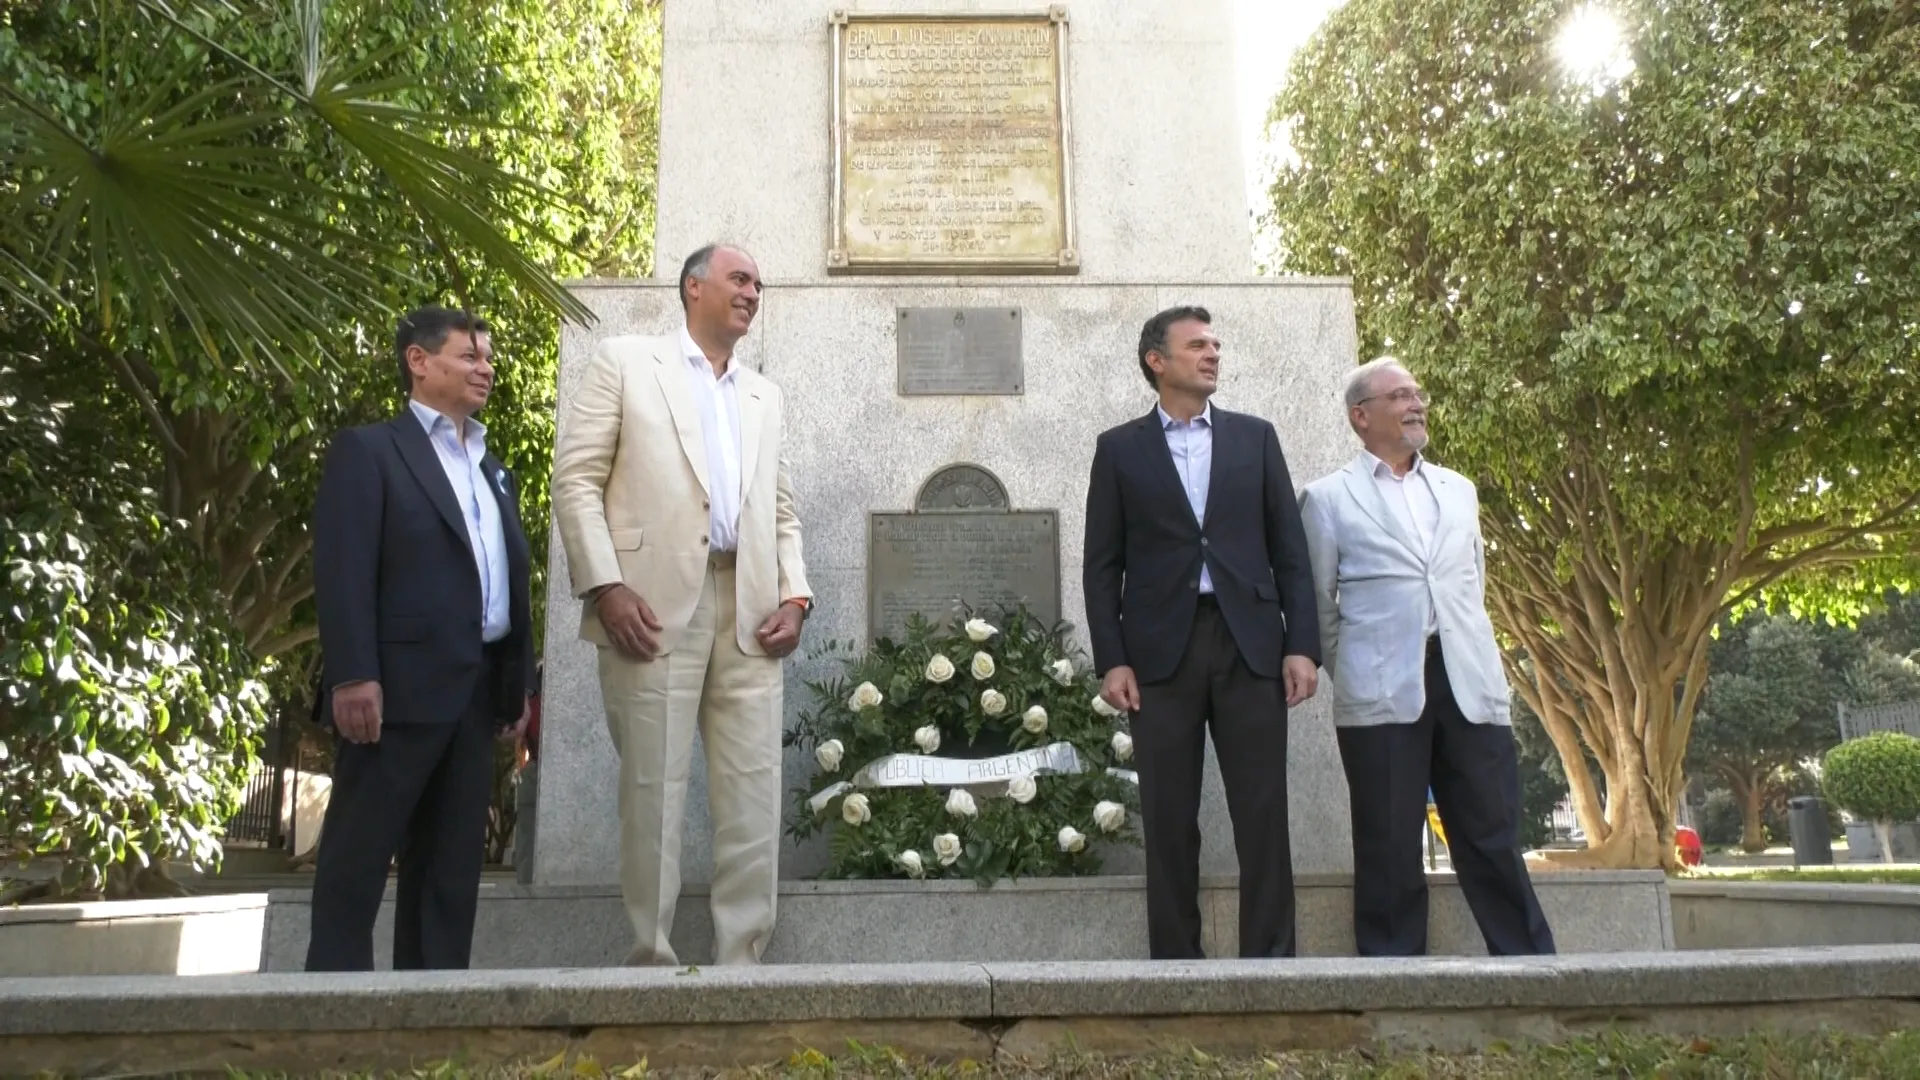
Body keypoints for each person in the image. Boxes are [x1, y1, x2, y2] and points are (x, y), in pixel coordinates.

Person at [551, 242, 812, 967]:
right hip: (649, 609)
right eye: (739, 278)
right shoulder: (628, 363)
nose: (753, 292)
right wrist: (606, 588)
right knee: (653, 789)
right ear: (693, 287)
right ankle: (651, 960)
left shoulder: (764, 395)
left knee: (754, 798)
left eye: (759, 283)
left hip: (753, 611)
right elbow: (576, 482)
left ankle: (741, 962)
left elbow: (781, 509)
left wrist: (797, 597)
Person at [1082, 305, 1321, 960]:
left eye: (1216, 343)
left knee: (1263, 813)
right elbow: (1102, 567)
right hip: (1160, 655)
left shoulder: (1256, 438)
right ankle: (1176, 970)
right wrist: (1113, 659)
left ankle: (1271, 966)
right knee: (1167, 819)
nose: (1212, 353)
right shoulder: (1119, 449)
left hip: (1251, 648)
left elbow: (1290, 552)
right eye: (1196, 345)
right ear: (1157, 362)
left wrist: (1301, 645)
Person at [1299, 357, 1555, 957]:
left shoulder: (1458, 490)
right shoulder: (1327, 499)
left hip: (1465, 678)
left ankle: (1531, 965)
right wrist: (1358, 669)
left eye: (1418, 393)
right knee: (1388, 841)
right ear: (1361, 417)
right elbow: (1317, 605)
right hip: (1381, 689)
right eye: (1400, 395)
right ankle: (1393, 975)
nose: (1417, 404)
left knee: (1491, 831)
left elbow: (1472, 586)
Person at [306, 305, 535, 971]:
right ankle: (333, 1010)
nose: (484, 368)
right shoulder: (371, 451)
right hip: (391, 695)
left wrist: (515, 685)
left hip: (473, 695)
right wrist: (352, 673)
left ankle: (431, 1012)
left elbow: (507, 580)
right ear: (418, 361)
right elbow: (344, 570)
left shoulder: (494, 467)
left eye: (488, 357)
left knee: (448, 873)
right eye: (469, 355)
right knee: (357, 860)